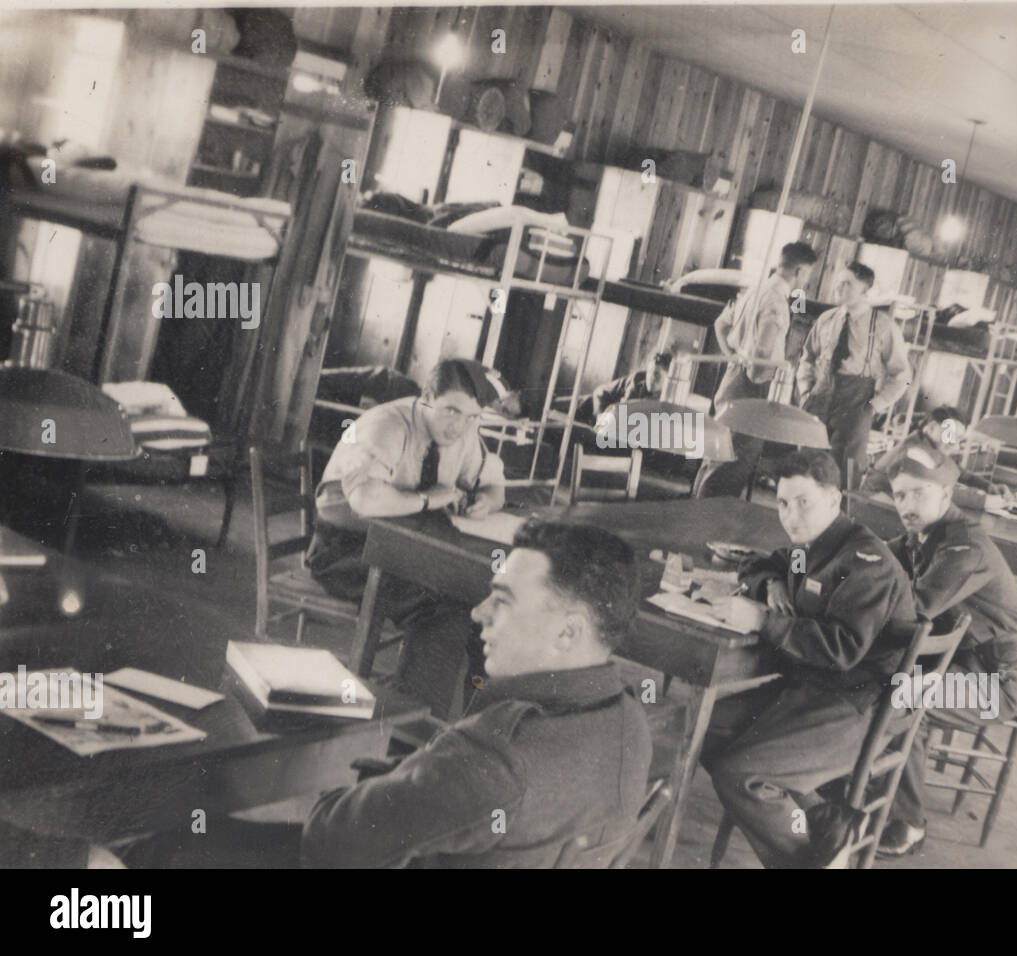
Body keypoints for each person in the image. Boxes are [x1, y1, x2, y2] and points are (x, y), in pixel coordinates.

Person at [122, 521, 653, 869]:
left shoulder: (498, 759)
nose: (477, 614)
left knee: (165, 850)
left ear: (568, 632)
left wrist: (385, 785)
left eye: (503, 600)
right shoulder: (628, 722)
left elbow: (332, 841)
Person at [701, 450, 917, 868]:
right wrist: (770, 585)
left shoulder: (865, 561)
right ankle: (821, 822)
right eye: (783, 503)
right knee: (704, 730)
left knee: (741, 775)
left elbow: (841, 649)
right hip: (815, 691)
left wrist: (763, 619)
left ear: (835, 501)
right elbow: (765, 562)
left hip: (860, 704)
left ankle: (810, 860)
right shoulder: (815, 545)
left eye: (804, 502)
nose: (791, 516)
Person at [306, 357, 508, 717]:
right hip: (344, 549)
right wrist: (429, 499)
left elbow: (493, 483)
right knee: (443, 608)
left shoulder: (462, 430)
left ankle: (477, 727)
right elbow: (364, 499)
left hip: (409, 547)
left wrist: (485, 501)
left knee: (485, 607)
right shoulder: (385, 426)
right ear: (427, 398)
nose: (460, 426)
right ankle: (407, 728)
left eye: (472, 417)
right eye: (451, 411)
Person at [878, 444, 1017, 856]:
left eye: (918, 493)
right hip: (965, 667)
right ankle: (871, 786)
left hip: (1000, 686)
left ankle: (907, 823)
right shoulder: (924, 536)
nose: (907, 505)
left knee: (904, 696)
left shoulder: (965, 547)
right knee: (891, 681)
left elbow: (915, 608)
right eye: (899, 495)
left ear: (945, 495)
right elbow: (877, 562)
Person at [692, 241, 819, 497]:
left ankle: (695, 516)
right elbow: (763, 349)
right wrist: (759, 376)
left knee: (716, 455)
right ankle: (706, 526)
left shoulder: (753, 290)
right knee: (734, 462)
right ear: (800, 271)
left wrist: (734, 358)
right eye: (807, 275)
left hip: (732, 380)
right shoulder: (776, 302)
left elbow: (720, 325)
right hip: (753, 386)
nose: (805, 281)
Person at [797, 263, 912, 480]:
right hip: (819, 395)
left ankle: (842, 512)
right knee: (807, 460)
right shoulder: (826, 319)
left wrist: (874, 406)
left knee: (847, 467)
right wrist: (805, 390)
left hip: (856, 402)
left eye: (848, 283)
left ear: (865, 290)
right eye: (838, 282)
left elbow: (903, 376)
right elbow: (807, 357)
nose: (839, 287)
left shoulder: (884, 326)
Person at [860, 405, 1009, 496]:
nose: (954, 443)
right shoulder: (915, 449)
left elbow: (958, 471)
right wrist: (983, 501)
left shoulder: (929, 445)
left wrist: (988, 487)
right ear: (931, 427)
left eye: (958, 438)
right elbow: (934, 491)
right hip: (876, 504)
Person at [575, 349, 674, 426]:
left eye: (657, 375)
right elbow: (621, 411)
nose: (650, 378)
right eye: (649, 372)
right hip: (598, 402)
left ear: (667, 378)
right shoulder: (637, 381)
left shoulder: (668, 396)